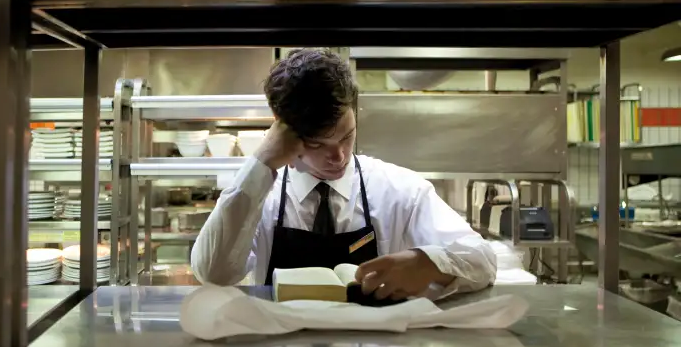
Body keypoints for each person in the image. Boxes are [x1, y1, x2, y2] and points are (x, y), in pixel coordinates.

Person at [191, 48, 496, 300]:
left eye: (347, 137)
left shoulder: (401, 190)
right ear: (282, 129)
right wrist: (260, 163)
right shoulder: (260, 195)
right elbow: (212, 274)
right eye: (317, 144)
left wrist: (430, 263)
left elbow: (483, 260)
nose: (337, 156)